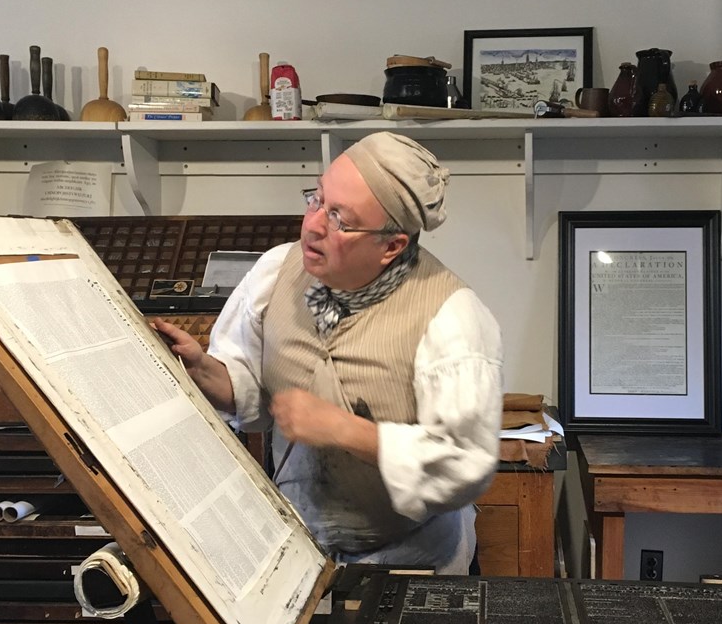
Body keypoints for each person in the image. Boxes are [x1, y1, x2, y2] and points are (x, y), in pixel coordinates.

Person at [153, 132, 503, 575]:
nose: (313, 225)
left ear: (391, 245)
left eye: (340, 218)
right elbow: (248, 392)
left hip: (413, 560)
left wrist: (345, 430)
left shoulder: (453, 316)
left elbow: (464, 462)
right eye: (316, 199)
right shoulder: (275, 272)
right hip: (297, 547)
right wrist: (201, 368)